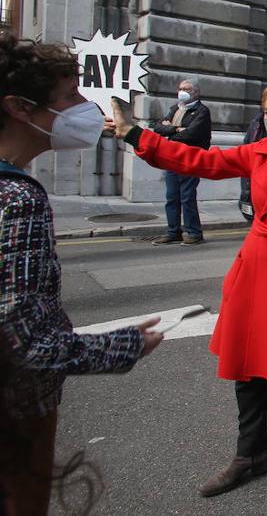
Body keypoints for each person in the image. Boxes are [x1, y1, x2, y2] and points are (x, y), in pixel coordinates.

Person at [111, 74, 267, 495]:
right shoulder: (258, 152)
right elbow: (200, 161)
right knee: (248, 369)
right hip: (254, 270)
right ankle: (250, 455)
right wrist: (135, 135)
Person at [0, 33, 163, 515]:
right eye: (70, 97)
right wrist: (125, 345)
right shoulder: (18, 199)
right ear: (19, 108)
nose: (83, 108)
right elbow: (23, 340)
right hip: (15, 414)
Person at [150, 79, 212, 246]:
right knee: (172, 197)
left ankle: (194, 232)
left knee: (187, 196)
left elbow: (191, 134)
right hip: (172, 158)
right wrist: (176, 129)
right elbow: (157, 128)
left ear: (196, 93)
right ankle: (173, 232)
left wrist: (171, 130)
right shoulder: (175, 108)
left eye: (186, 89)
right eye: (180, 88)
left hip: (190, 158)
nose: (181, 91)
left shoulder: (201, 111)